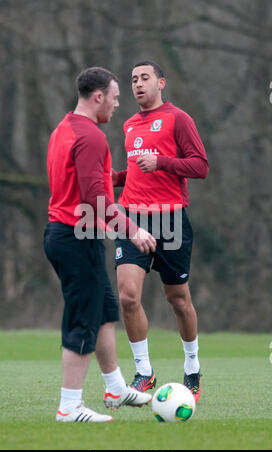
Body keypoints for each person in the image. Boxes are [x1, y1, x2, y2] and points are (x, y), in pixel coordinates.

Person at [43, 67, 156, 423]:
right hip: (76, 237)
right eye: (116, 97)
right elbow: (95, 200)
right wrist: (133, 230)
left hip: (63, 234)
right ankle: (69, 406)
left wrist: (123, 180)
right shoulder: (91, 137)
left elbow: (90, 184)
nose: (118, 104)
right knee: (83, 320)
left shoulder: (64, 128)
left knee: (106, 309)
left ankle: (116, 388)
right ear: (98, 97)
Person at [112, 60, 209, 403]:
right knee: (127, 296)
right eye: (134, 79)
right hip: (133, 218)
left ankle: (193, 366)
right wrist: (114, 178)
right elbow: (139, 171)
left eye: (145, 78)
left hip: (171, 219)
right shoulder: (128, 124)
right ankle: (144, 372)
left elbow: (200, 166)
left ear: (161, 83)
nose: (138, 84)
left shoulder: (178, 119)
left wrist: (163, 162)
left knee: (178, 300)